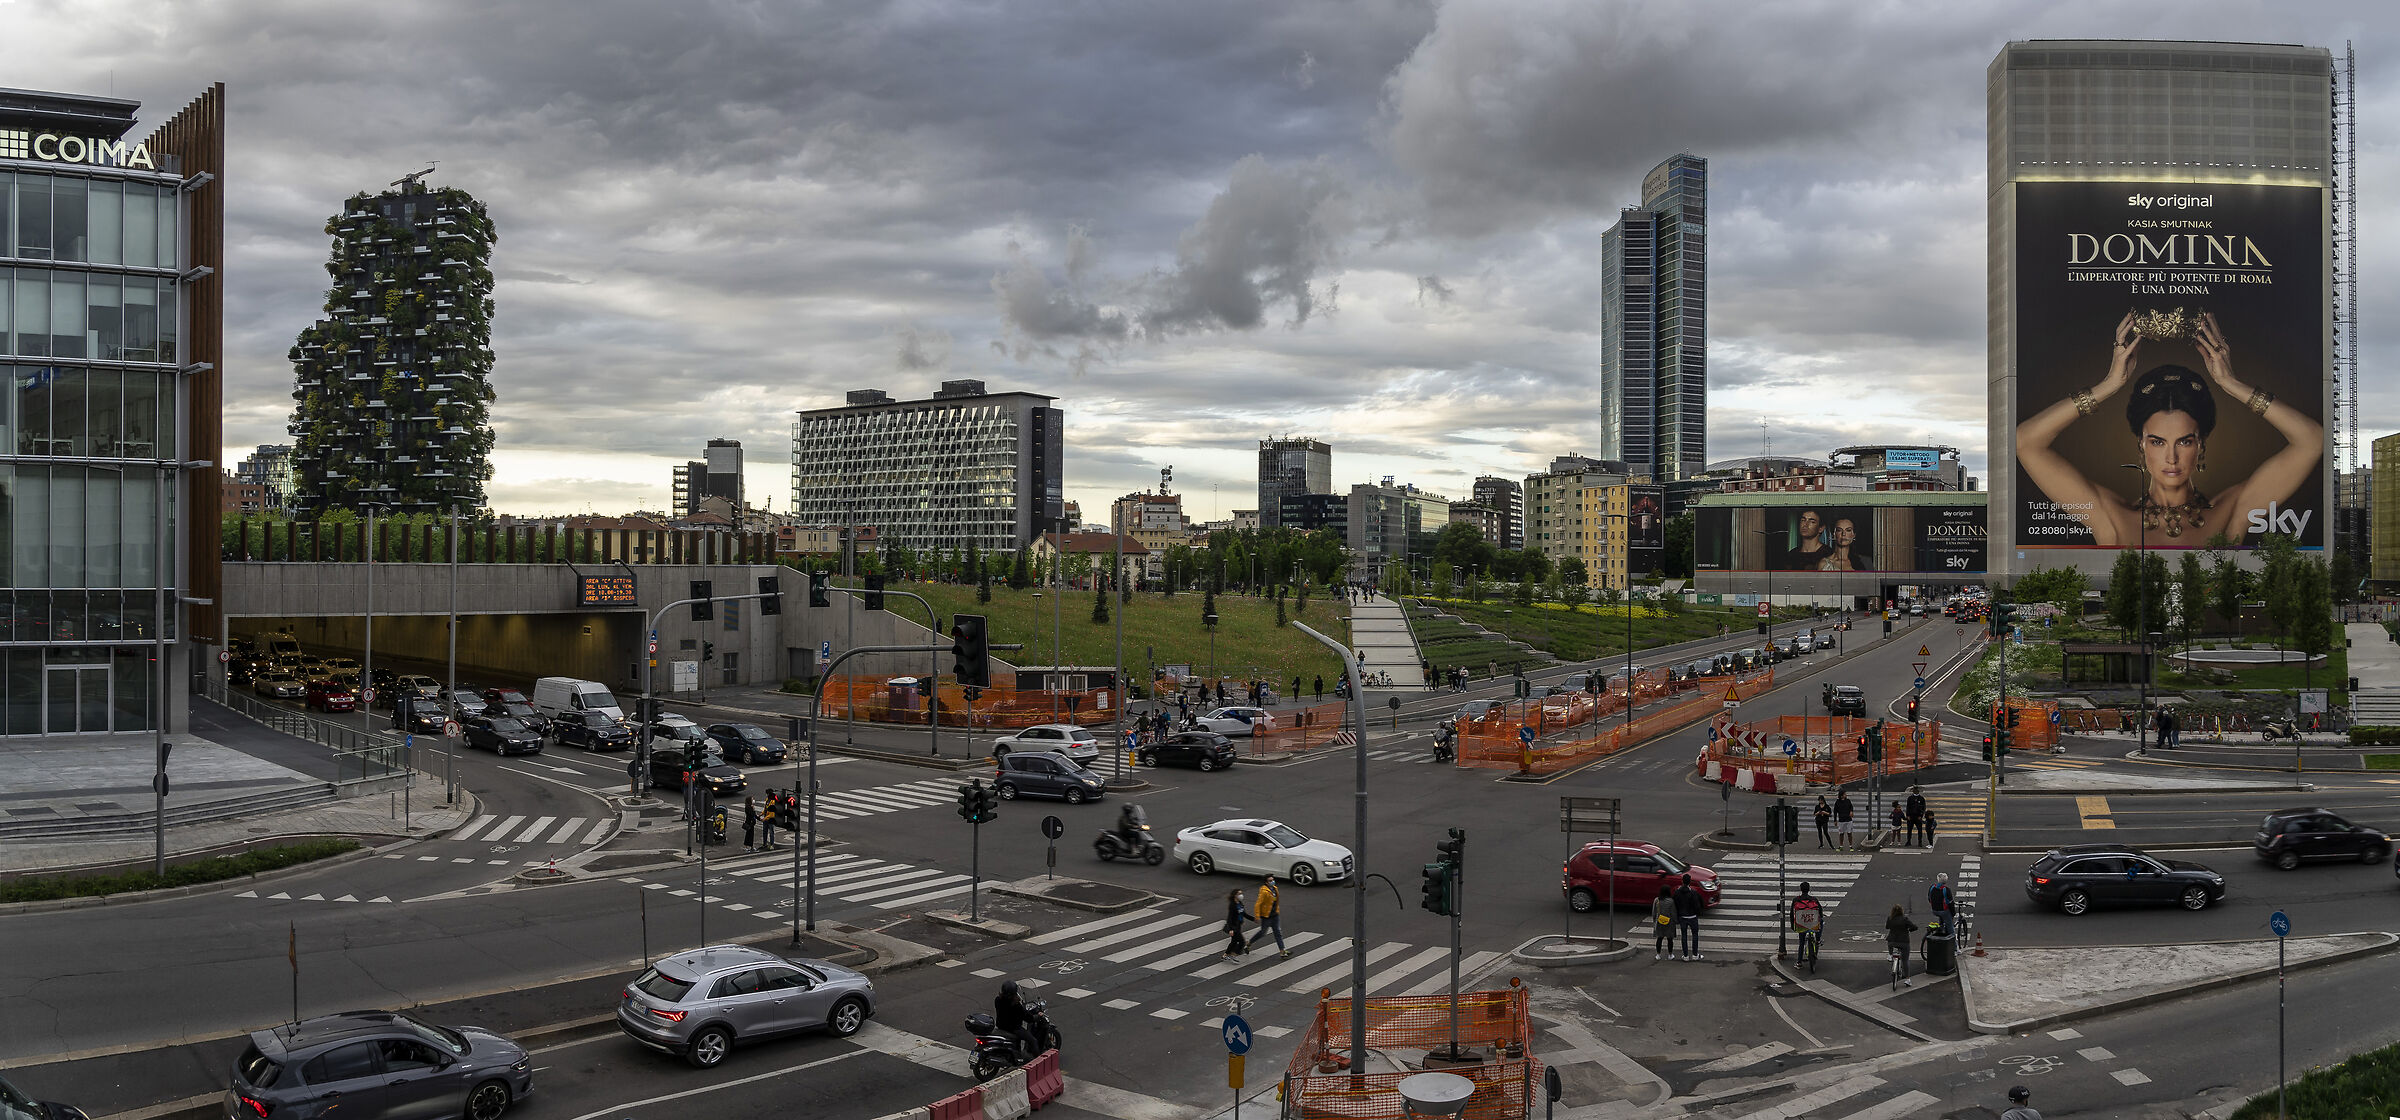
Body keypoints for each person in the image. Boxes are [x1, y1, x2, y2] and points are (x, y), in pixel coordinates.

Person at [2015, 312, 2323, 547]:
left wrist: (2232, 385)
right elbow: (2026, 441)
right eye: (2158, 441)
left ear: (2200, 445)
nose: (2172, 457)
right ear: (2141, 445)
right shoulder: (2109, 514)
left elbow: (2311, 440)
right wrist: (2107, 386)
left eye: (2185, 441)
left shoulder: (2232, 510)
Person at [1247, 875, 1289, 957]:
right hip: (1267, 916)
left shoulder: (1275, 888)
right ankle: (1249, 943)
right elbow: (1258, 904)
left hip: (1275, 915)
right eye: (1270, 880)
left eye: (1273, 880)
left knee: (1278, 933)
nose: (1272, 881)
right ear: (1266, 882)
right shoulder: (1264, 892)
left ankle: (1282, 951)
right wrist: (1257, 916)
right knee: (1263, 932)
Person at [995, 979, 1036, 1060]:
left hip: (1001, 1026)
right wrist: (1037, 1016)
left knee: (1018, 1041)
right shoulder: (1016, 1005)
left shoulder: (997, 1000)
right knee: (1033, 1041)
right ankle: (1037, 1061)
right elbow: (1028, 1018)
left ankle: (1017, 1054)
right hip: (1014, 1029)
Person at [1671, 874, 1704, 961]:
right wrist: (1699, 912)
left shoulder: (1677, 892)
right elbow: (1698, 904)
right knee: (1695, 935)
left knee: (1684, 936)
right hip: (1692, 917)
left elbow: (1674, 904)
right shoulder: (1693, 892)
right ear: (1690, 882)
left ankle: (1685, 956)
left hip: (1682, 917)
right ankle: (1695, 954)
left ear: (1682, 881)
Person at [1790, 882, 1823, 965]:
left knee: (1801, 943)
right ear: (1809, 889)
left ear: (1801, 889)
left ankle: (1799, 962)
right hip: (1813, 923)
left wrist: (1792, 925)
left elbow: (1791, 914)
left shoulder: (1796, 900)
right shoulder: (1814, 899)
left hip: (1801, 925)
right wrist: (1820, 917)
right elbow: (1820, 910)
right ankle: (1818, 939)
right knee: (1821, 922)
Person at [1885, 904, 1917, 987]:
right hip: (1904, 942)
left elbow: (1887, 927)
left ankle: (1890, 954)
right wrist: (1909, 929)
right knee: (1905, 960)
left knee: (1890, 943)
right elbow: (1914, 927)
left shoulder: (1890, 918)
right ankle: (1907, 979)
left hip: (1892, 941)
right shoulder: (1905, 919)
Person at [1221, 888, 1251, 960]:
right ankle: (1233, 955)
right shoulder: (1232, 905)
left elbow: (1244, 913)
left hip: (1238, 925)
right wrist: (1231, 929)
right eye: (1239, 894)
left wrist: (1253, 919)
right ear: (1235, 896)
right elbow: (1230, 918)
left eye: (1241, 893)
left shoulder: (1240, 903)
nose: (1241, 895)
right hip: (1234, 926)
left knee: (1234, 942)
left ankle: (1225, 955)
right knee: (1241, 942)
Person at [1651, 884, 1677, 961]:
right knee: (1670, 939)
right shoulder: (1671, 901)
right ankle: (1670, 955)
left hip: (1659, 922)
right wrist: (1676, 921)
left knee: (1659, 938)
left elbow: (1654, 913)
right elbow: (1673, 913)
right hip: (1669, 922)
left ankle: (1658, 955)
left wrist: (1654, 921)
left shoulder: (1657, 900)